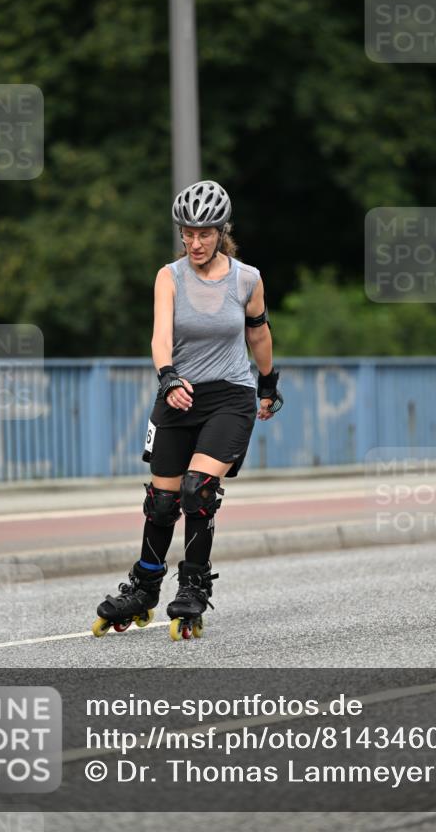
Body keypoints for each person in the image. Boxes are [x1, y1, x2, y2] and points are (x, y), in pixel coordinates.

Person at [92, 180, 283, 641]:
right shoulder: (169, 276)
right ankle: (143, 587)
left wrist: (268, 383)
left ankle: (193, 587)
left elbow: (258, 333)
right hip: (178, 392)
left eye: (204, 233)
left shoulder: (247, 279)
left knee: (197, 490)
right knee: (161, 503)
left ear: (222, 231)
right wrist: (168, 376)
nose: (194, 242)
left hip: (230, 396)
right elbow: (160, 336)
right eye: (187, 233)